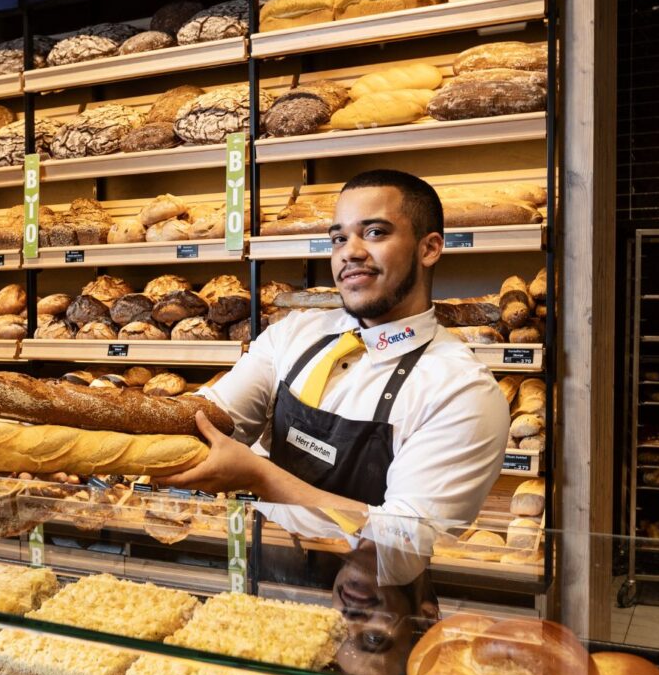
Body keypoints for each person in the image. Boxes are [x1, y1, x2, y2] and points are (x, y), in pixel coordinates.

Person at [160, 169, 511, 581]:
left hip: (375, 612)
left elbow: (402, 545)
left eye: (375, 232)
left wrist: (259, 475)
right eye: (339, 238)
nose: (350, 252)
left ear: (429, 248)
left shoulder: (461, 390)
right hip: (268, 591)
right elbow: (207, 421)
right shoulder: (294, 335)